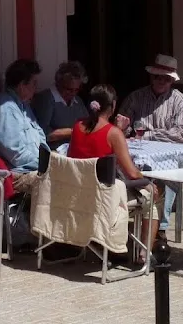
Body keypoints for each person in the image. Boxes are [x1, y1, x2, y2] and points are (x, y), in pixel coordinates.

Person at [68, 84, 162, 257]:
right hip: (104, 198)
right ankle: (144, 253)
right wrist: (147, 182)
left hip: (79, 194)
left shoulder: (77, 127)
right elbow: (132, 173)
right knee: (152, 199)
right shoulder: (113, 133)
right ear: (112, 106)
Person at [117, 54, 183, 238]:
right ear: (151, 77)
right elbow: (122, 124)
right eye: (157, 77)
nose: (160, 81)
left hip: (167, 155)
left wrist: (151, 134)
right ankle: (128, 216)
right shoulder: (136, 97)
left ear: (172, 81)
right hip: (139, 152)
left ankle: (160, 227)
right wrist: (124, 129)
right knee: (121, 166)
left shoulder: (180, 101)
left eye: (165, 78)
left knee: (165, 177)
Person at [0, 59, 48, 193]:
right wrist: (45, 164)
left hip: (32, 167)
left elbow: (40, 135)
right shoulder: (7, 107)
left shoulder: (23, 105)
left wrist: (49, 158)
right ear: (22, 85)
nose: (36, 88)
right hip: (14, 173)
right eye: (34, 84)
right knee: (55, 183)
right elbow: (15, 153)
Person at [32, 61, 89, 150]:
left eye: (76, 90)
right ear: (59, 83)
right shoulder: (46, 99)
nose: (73, 93)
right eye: (69, 89)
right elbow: (43, 134)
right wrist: (74, 131)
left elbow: (88, 124)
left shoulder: (78, 100)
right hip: (55, 153)